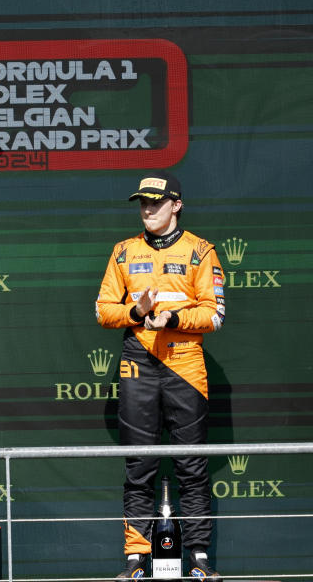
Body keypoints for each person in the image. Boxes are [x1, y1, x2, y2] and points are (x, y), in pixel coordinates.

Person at [95, 171, 225, 581]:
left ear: (176, 204)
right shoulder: (122, 252)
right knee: (139, 466)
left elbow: (215, 313)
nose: (148, 209)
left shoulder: (201, 252)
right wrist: (136, 313)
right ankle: (135, 561)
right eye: (143, 203)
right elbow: (103, 310)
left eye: (156, 202)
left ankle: (200, 559)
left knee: (192, 466)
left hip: (185, 360)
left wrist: (173, 317)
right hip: (139, 360)